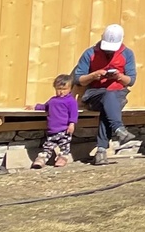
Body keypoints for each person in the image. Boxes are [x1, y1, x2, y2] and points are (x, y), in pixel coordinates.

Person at [73, 24, 136, 164]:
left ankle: (101, 151)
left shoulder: (127, 54)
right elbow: (78, 79)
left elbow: (131, 81)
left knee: (109, 100)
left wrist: (118, 76)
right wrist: (93, 76)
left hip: (118, 93)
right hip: (94, 94)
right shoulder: (90, 53)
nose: (108, 51)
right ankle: (118, 129)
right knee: (109, 99)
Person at [32, 74, 78, 168]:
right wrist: (35, 106)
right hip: (52, 129)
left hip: (64, 129)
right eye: (59, 89)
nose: (61, 92)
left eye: (64, 89)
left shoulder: (71, 101)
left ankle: (62, 158)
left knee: (64, 146)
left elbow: (73, 113)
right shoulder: (52, 100)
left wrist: (72, 124)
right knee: (48, 146)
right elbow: (45, 107)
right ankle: (42, 159)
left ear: (70, 89)